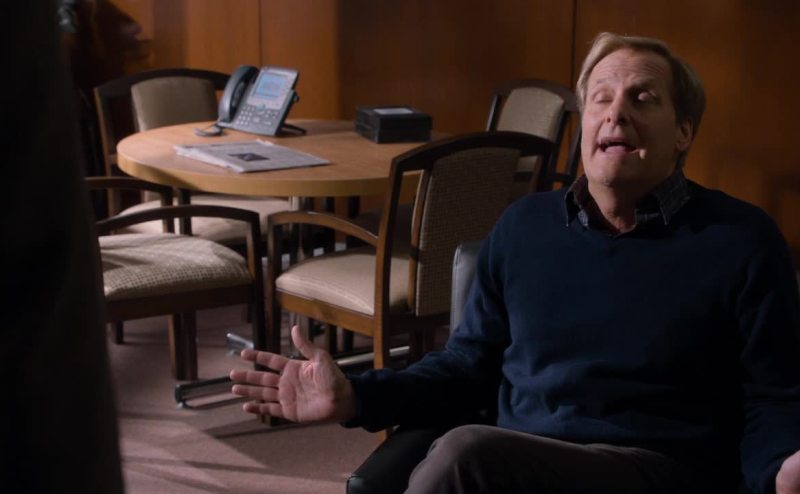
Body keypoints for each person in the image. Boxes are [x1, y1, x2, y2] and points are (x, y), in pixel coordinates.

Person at [230, 32, 800, 494]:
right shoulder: (525, 226)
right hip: (524, 458)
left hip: (657, 467)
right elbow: (465, 368)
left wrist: (779, 471)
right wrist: (357, 396)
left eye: (643, 98)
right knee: (468, 453)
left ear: (683, 131)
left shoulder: (740, 240)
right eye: (601, 99)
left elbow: (774, 396)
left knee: (466, 453)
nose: (616, 114)